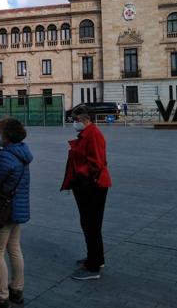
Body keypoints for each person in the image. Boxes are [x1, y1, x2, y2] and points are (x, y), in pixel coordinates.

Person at [0, 118, 33, 308]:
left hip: (3, 210)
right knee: (14, 248)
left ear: (7, 136)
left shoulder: (6, 157)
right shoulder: (22, 153)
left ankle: (2, 296)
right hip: (16, 207)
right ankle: (17, 289)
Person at [61, 105, 112, 280]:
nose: (74, 123)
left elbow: (97, 163)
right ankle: (95, 257)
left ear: (86, 120)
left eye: (76, 120)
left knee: (91, 224)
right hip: (89, 184)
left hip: (92, 186)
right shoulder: (87, 134)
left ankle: (93, 266)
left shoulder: (93, 135)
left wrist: (85, 180)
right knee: (90, 224)